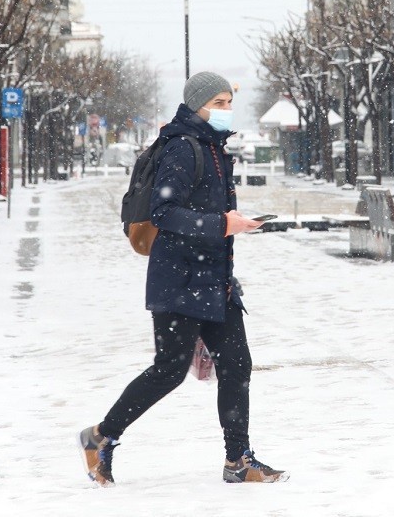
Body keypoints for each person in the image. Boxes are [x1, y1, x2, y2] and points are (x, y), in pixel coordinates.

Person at [80, 72, 287, 487]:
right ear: (198, 105)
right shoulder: (183, 148)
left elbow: (211, 218)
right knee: (169, 370)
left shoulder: (213, 148)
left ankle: (238, 460)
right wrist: (223, 224)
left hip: (215, 278)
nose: (228, 110)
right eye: (221, 103)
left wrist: (234, 226)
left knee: (236, 364)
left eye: (230, 102)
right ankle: (101, 436)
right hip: (179, 278)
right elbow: (164, 214)